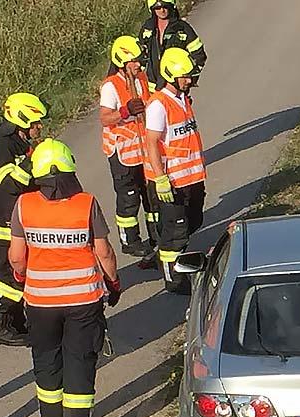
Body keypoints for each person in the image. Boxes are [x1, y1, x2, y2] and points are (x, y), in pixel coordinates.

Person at [7, 139, 122, 417]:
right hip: (83, 302)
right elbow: (104, 252)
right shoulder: (86, 204)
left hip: (40, 302)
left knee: (46, 359)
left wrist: (23, 278)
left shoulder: (24, 205)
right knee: (80, 361)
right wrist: (113, 283)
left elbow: (16, 257)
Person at [0, 92, 48, 346]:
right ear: (21, 121)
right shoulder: (5, 143)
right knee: (9, 275)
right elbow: (8, 181)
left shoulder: (16, 140)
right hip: (2, 223)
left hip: (16, 219)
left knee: (21, 272)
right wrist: (32, 162)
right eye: (35, 123)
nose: (38, 127)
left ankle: (16, 321)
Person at [143, 47, 206, 294]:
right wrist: (160, 179)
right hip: (172, 183)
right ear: (171, 75)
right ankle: (175, 280)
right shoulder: (159, 105)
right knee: (175, 235)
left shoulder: (182, 99)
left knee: (194, 221)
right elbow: (151, 142)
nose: (189, 80)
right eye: (185, 76)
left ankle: (171, 259)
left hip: (191, 179)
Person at [99, 35, 155, 258]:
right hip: (121, 153)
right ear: (122, 62)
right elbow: (105, 118)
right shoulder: (111, 86)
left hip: (142, 150)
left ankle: (156, 235)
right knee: (129, 199)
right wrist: (125, 111)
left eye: (139, 61)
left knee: (150, 196)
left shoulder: (140, 79)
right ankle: (130, 240)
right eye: (134, 62)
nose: (139, 65)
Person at [139, 0, 207, 91]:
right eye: (158, 8)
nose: (162, 10)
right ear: (152, 9)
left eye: (165, 7)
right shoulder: (147, 29)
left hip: (175, 87)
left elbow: (199, 56)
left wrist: (188, 78)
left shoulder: (182, 29)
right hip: (153, 88)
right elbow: (140, 56)